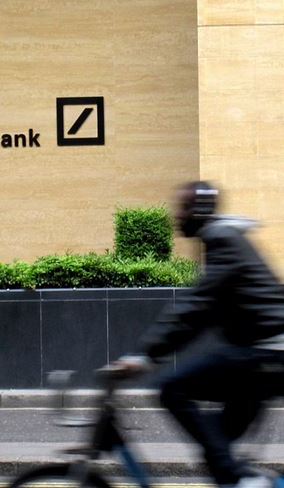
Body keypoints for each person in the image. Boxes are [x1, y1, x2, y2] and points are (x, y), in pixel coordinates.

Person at [115, 180, 284, 488]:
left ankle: (241, 480)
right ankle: (242, 479)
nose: (177, 216)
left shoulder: (222, 239)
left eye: (184, 208)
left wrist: (145, 355)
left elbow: (195, 305)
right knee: (215, 443)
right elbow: (201, 314)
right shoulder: (224, 238)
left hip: (264, 353)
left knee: (172, 389)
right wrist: (156, 351)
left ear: (199, 210)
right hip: (264, 355)